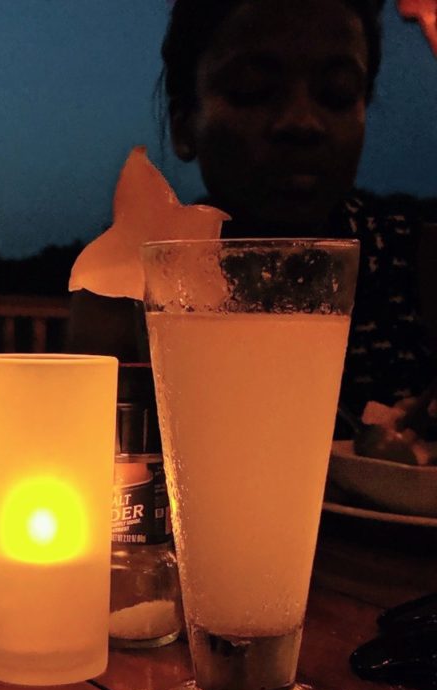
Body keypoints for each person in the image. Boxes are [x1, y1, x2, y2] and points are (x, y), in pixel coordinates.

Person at [69, 0, 437, 417]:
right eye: (253, 89)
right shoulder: (128, 282)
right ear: (184, 123)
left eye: (337, 93)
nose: (301, 122)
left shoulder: (414, 262)